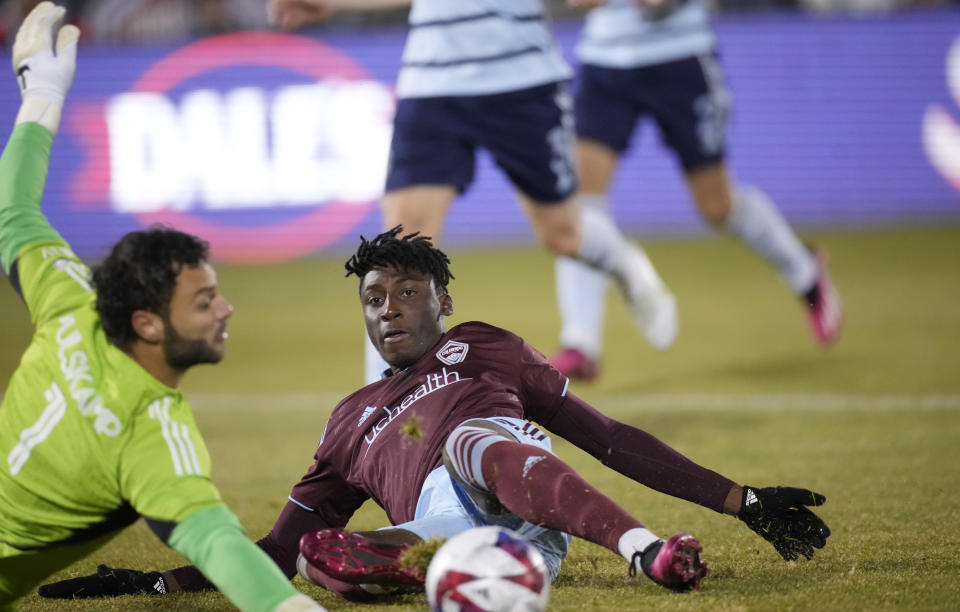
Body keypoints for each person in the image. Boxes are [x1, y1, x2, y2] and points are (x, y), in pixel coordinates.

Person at [39, 227, 831, 603]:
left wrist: (744, 500)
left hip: (519, 504)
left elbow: (609, 439)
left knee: (469, 436)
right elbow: (273, 552)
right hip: (443, 543)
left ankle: (647, 552)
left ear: (445, 302)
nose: (388, 311)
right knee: (321, 553)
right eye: (373, 300)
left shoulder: (486, 348)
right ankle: (423, 565)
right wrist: (157, 583)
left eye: (407, 293)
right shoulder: (346, 421)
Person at [0, 4, 326, 611]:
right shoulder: (150, 431)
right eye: (205, 301)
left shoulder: (73, 303)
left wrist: (40, 94)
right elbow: (217, 542)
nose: (227, 309)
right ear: (146, 323)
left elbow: (13, 211)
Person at [268, 0, 678, 385]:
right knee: (400, 248)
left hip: (522, 81)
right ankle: (383, 411)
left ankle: (627, 268)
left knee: (564, 236)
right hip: (432, 84)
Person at [551, 0, 843, 380]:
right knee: (577, 204)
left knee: (716, 206)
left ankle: (805, 272)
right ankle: (581, 340)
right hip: (605, 62)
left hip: (681, 58)